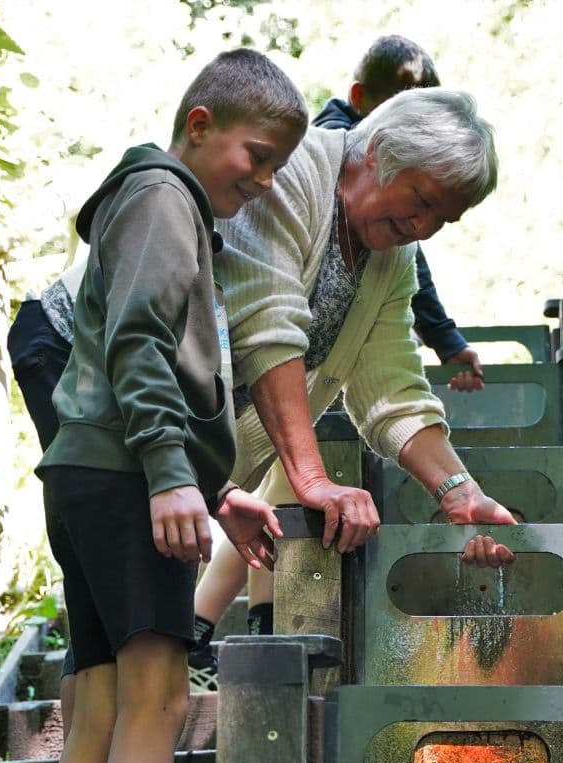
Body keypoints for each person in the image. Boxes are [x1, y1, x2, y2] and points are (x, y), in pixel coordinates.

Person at [12, 48, 307, 763]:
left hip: (92, 472)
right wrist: (175, 475)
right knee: (159, 699)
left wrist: (217, 491)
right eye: (255, 155)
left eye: (275, 169)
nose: (260, 181)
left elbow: (139, 361)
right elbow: (138, 343)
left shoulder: (155, 201)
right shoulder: (162, 195)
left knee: (95, 710)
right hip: (124, 473)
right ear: (199, 122)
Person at [203, 87, 515, 650]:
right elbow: (265, 332)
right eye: (420, 199)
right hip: (133, 415)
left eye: (444, 219)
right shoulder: (294, 174)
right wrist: (312, 481)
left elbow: (392, 389)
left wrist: (460, 492)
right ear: (379, 153)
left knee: (131, 662)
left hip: (200, 461)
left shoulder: (393, 258)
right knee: (124, 655)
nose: (422, 227)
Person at [314, 35, 485, 392]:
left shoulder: (397, 236)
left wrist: (444, 338)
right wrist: (443, 335)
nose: (420, 229)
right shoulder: (327, 154)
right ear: (359, 98)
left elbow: (402, 258)